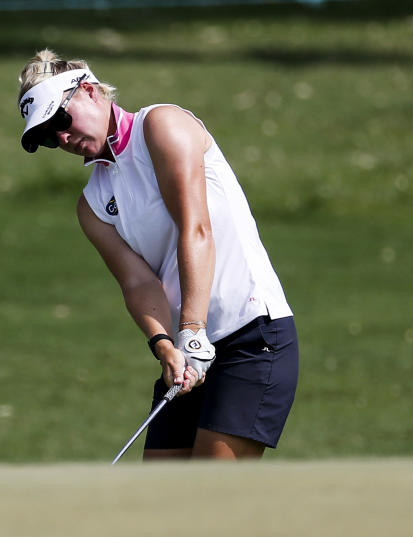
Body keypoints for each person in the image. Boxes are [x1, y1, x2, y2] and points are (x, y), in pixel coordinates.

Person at [16, 50, 298, 460]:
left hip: (251, 338)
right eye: (46, 137)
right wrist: (165, 344)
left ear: (91, 92)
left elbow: (195, 227)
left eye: (60, 120)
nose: (60, 138)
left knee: (207, 502)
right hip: (187, 356)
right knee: (155, 503)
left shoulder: (162, 125)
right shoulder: (92, 204)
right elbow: (138, 282)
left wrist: (193, 329)